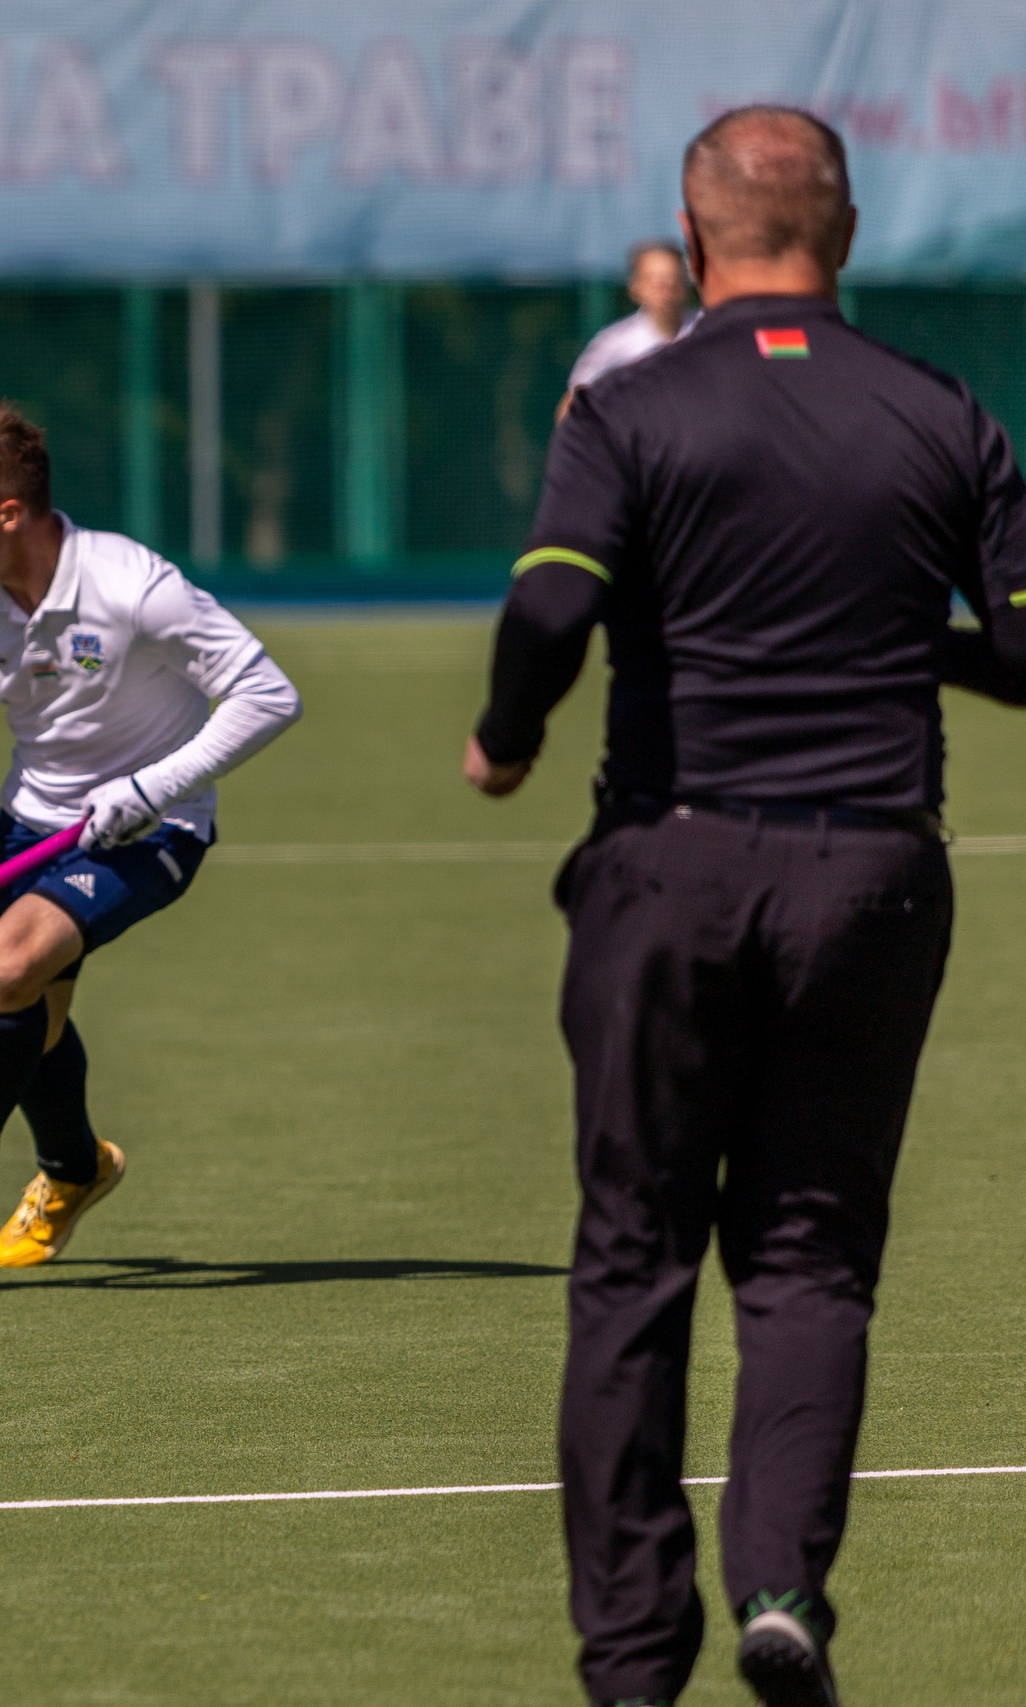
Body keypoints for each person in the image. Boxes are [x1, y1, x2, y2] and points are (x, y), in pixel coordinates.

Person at [467, 107, 1026, 1707]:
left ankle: (637, 1658)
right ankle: (782, 1584)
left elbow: (552, 601)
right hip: (873, 872)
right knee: (807, 1258)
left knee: (632, 1255)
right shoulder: (943, 410)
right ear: (844, 235)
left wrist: (506, 740)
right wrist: (898, 640)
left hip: (676, 860)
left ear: (694, 236)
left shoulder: (629, 404)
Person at [0, 404, 300, 1268]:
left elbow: (267, 694)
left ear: (9, 514)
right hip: (31, 825)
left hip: (154, 826)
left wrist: (151, 786)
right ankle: (74, 1168)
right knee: (36, 1017)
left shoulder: (135, 586)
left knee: (9, 965)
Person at [558, 240, 698, 420]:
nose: (664, 285)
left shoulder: (709, 329)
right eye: (653, 278)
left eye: (672, 276)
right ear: (635, 287)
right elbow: (572, 404)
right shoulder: (613, 342)